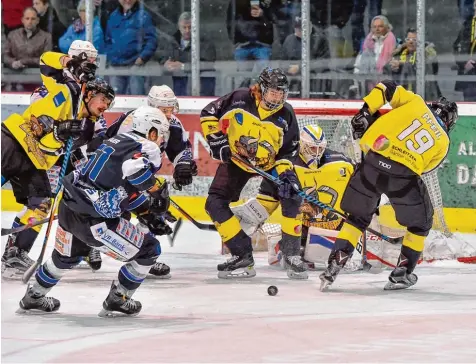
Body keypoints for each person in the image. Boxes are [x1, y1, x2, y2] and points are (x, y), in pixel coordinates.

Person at [17, 107, 172, 316]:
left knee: (66, 257)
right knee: (149, 250)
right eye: (161, 134)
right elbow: (134, 173)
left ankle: (33, 296)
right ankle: (119, 298)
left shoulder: (117, 141)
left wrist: (146, 213)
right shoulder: (147, 146)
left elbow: (121, 188)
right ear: (152, 132)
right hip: (94, 221)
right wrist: (156, 192)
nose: (161, 140)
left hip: (69, 209)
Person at [319, 80, 457, 291]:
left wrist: (367, 111)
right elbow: (425, 169)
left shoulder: (416, 102)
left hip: (372, 162)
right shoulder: (445, 141)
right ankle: (402, 272)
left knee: (357, 219)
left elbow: (387, 86)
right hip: (403, 177)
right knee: (420, 225)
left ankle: (335, 264)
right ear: (449, 121)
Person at [1, 77, 115, 277]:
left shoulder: (87, 126)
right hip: (14, 144)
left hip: (34, 161)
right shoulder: (66, 94)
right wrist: (54, 128)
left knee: (41, 204)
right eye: (103, 99)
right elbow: (39, 110)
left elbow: (51, 148)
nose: (106, 105)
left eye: (109, 102)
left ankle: (15, 253)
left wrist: (57, 136)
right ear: (89, 94)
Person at [200, 67, 304, 279]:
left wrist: (284, 174)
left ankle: (292, 254)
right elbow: (208, 113)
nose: (278, 97)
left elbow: (289, 150)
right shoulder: (240, 98)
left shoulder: (287, 113)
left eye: (281, 92)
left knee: (292, 194)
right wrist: (217, 140)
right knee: (214, 203)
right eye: (273, 92)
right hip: (238, 160)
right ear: (262, 89)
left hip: (270, 163)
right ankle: (241, 253)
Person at [89, 84, 198, 278]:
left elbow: (181, 149)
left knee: (153, 211)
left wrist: (183, 164)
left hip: (139, 173)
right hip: (118, 174)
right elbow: (116, 153)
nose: (169, 113)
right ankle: (88, 244)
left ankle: (142, 255)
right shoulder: (134, 121)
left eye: (170, 108)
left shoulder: (172, 123)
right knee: (116, 214)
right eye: (164, 109)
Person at [231, 125, 354, 268]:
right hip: (303, 229)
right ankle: (283, 245)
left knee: (341, 259)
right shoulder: (286, 167)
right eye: (312, 148)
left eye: (320, 148)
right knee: (288, 260)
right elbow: (267, 201)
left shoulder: (342, 163)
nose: (317, 153)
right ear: (302, 145)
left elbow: (361, 190)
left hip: (336, 226)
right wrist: (250, 215)